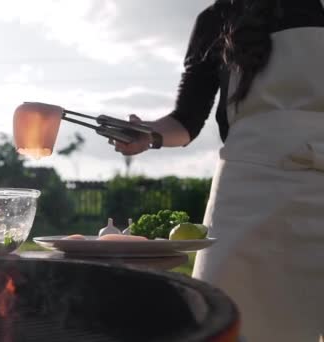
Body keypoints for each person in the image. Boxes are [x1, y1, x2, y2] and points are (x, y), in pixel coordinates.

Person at [112, 0, 324, 341]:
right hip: (249, 198)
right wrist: (149, 135)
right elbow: (186, 119)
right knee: (232, 323)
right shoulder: (217, 18)